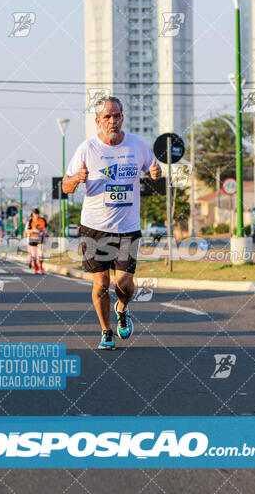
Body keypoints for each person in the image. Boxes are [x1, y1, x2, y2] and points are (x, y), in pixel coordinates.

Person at [63, 96, 161, 350]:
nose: (113, 120)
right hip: (94, 227)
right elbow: (65, 186)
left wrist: (155, 173)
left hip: (128, 228)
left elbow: (153, 169)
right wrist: (76, 178)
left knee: (124, 282)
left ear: (122, 118)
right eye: (107, 117)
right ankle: (106, 331)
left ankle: (122, 308)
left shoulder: (137, 144)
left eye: (117, 115)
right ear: (98, 121)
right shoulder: (87, 149)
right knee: (101, 283)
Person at [27, 208, 47, 274]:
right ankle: (35, 267)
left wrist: (44, 232)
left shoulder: (42, 220)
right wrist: (33, 230)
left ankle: (41, 267)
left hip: (40, 239)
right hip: (32, 239)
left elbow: (46, 229)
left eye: (37, 214)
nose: (36, 215)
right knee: (34, 256)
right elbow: (27, 231)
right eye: (35, 214)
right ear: (32, 214)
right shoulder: (30, 221)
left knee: (41, 255)